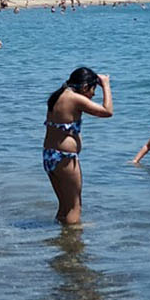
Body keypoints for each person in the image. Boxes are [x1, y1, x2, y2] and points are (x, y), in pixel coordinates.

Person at [43, 67, 112, 225]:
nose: (93, 95)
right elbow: (107, 111)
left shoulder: (58, 96)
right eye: (93, 90)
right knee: (75, 207)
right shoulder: (74, 98)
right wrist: (106, 85)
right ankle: (73, 244)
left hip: (50, 155)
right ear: (84, 86)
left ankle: (61, 240)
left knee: (64, 206)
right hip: (64, 158)